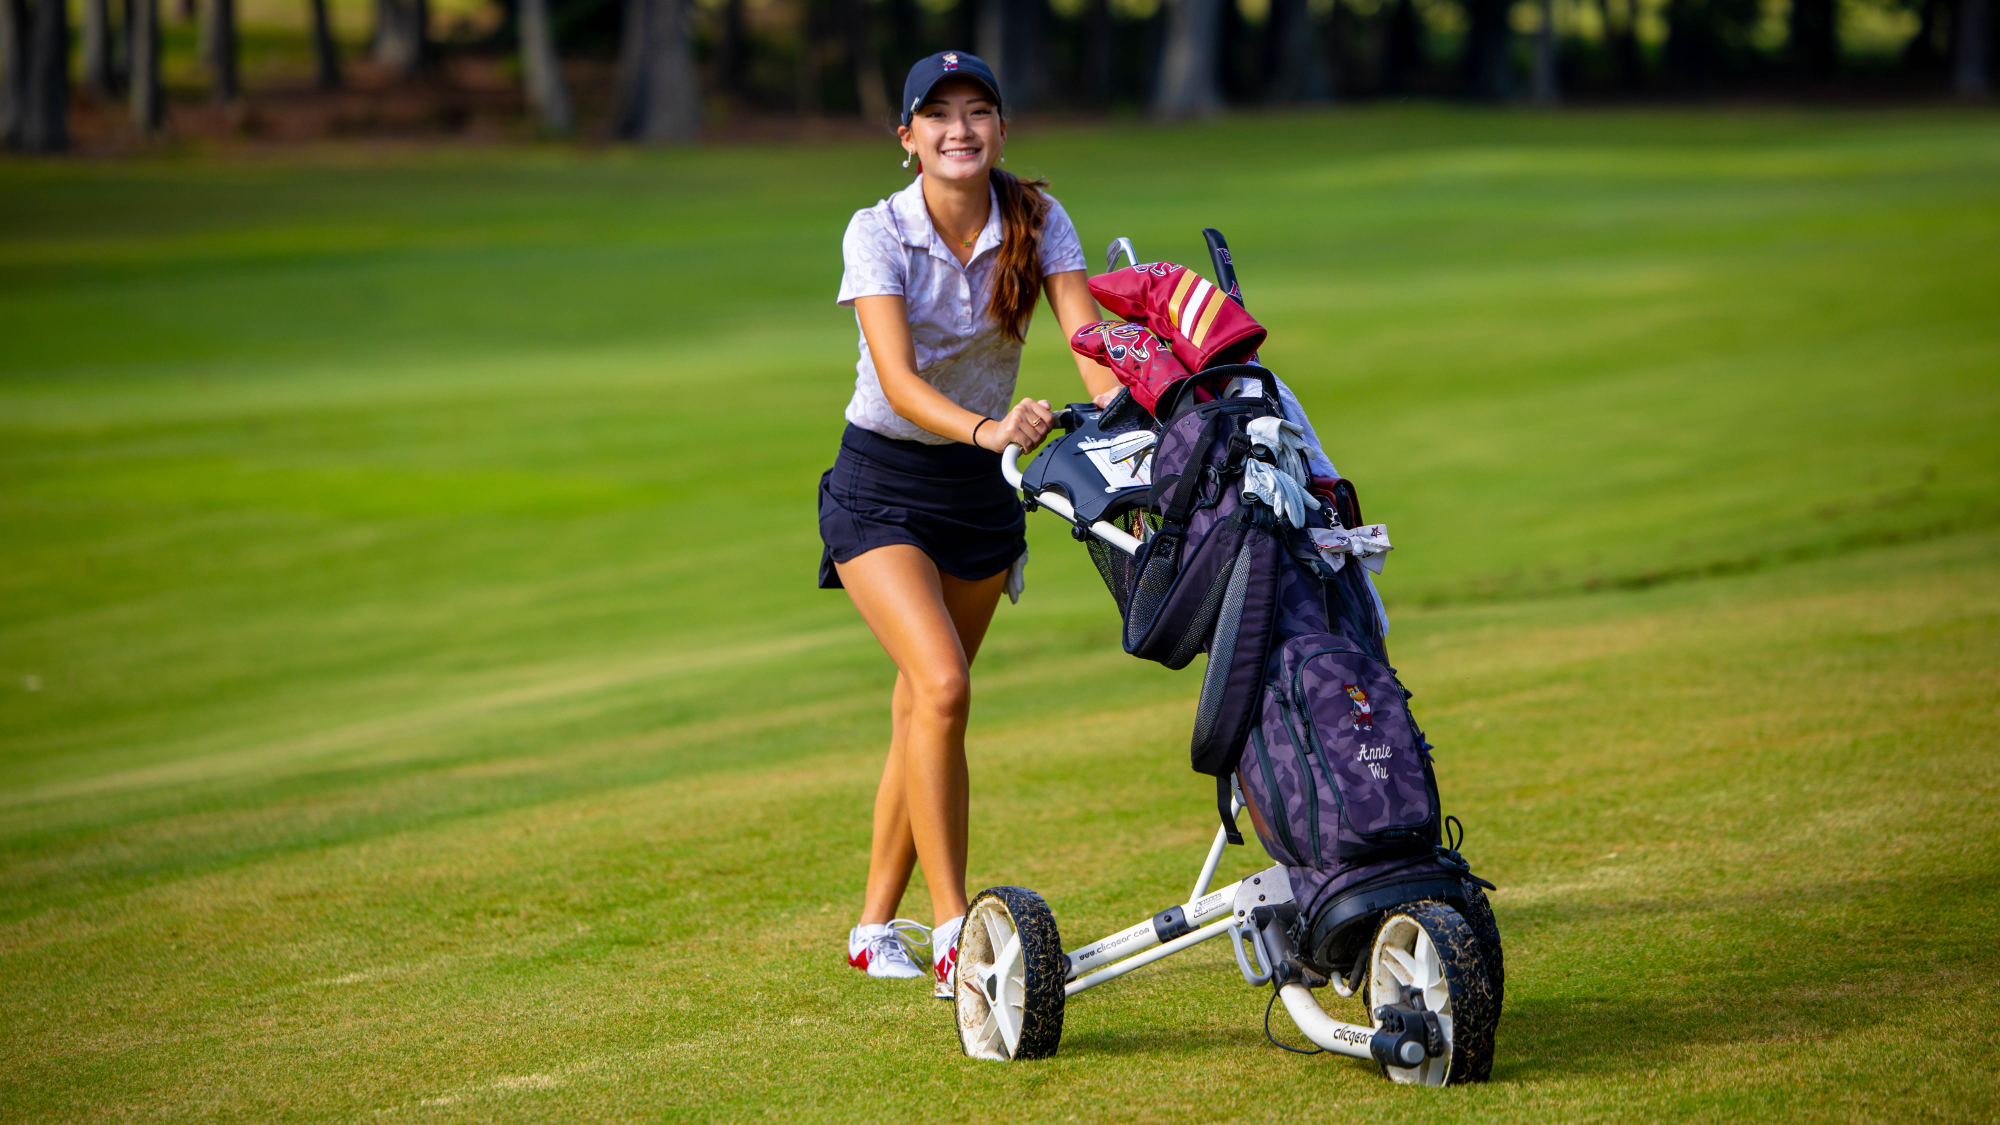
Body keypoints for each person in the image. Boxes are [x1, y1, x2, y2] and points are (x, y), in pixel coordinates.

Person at [822, 51, 1117, 997]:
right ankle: (954, 930)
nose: (960, 128)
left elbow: (1088, 344)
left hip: (983, 496)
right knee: (943, 683)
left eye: (978, 110)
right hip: (882, 485)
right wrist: (994, 428)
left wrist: (1134, 419)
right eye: (937, 114)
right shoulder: (876, 231)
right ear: (907, 139)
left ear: (1001, 128)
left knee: (923, 706)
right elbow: (900, 382)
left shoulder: (1037, 217)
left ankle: (874, 927)